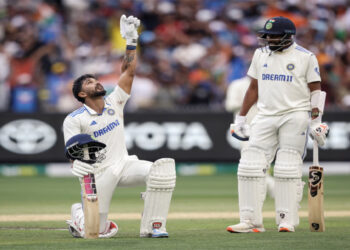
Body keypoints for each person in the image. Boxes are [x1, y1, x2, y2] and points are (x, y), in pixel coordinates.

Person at [63, 15, 176, 238]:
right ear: (82, 94)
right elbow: (72, 148)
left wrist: (132, 41)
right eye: (89, 82)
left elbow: (128, 72)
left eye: (95, 79)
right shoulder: (75, 119)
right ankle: (79, 212)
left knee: (160, 172)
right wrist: (75, 163)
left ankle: (153, 227)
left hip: (124, 164)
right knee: (95, 232)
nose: (96, 82)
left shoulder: (115, 101)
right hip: (98, 174)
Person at [226, 16, 329, 233]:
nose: (270, 39)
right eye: (268, 35)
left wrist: (316, 122)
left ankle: (286, 220)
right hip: (265, 115)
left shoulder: (306, 57)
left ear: (288, 36)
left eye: (274, 36)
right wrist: (242, 118)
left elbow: (316, 91)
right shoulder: (260, 53)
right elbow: (253, 87)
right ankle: (250, 220)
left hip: (295, 114)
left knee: (287, 167)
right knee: (249, 165)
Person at [225, 76, 275, 198]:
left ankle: (269, 189)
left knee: (262, 162)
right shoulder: (237, 84)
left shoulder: (267, 83)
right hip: (245, 130)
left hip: (264, 128)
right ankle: (268, 189)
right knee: (251, 161)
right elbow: (230, 105)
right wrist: (250, 100)